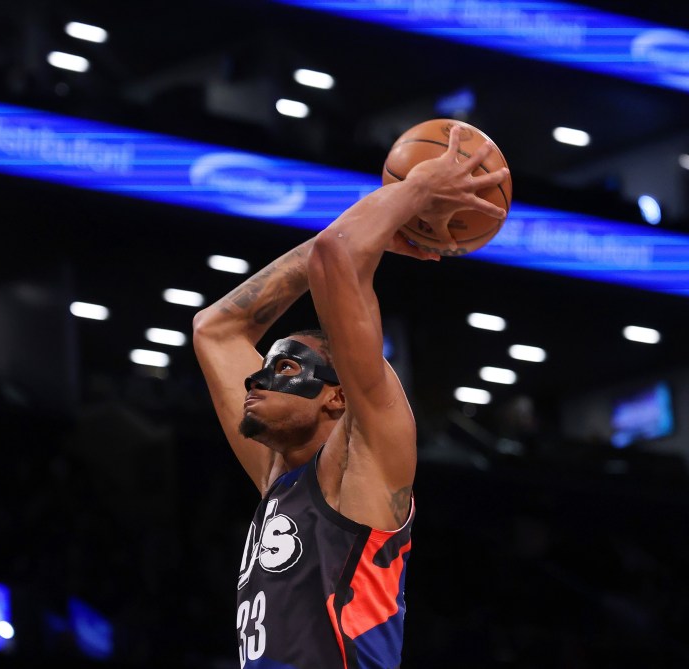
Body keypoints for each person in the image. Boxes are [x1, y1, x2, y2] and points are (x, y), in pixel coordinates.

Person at [192, 124, 509, 669]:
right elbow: (214, 328)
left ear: (337, 398)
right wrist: (376, 225)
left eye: (285, 367)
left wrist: (410, 192)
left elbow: (336, 258)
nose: (256, 380)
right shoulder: (279, 476)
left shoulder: (365, 461)